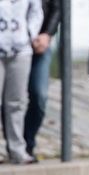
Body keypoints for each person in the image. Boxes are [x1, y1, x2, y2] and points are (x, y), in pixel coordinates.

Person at [0, 0, 42, 165]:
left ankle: (17, 150)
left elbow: (36, 11)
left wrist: (30, 33)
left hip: (21, 50)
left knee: (16, 102)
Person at [24, 0, 60, 159]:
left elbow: (57, 8)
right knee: (10, 100)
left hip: (40, 44)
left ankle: (27, 142)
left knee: (39, 95)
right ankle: (16, 145)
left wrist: (47, 33)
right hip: (10, 46)